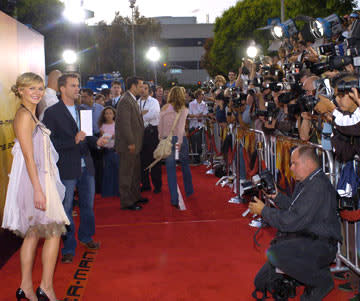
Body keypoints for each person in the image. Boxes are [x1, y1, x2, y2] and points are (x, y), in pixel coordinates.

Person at [1, 72, 70, 301]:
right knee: (53, 232)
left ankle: (26, 288)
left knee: (32, 235)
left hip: (39, 179)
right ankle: (46, 288)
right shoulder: (24, 116)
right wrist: (38, 190)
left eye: (40, 88)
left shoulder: (31, 113)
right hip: (35, 182)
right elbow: (29, 157)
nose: (37, 93)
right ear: (20, 90)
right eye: (32, 88)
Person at [249, 146, 341, 301]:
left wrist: (264, 211)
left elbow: (291, 221)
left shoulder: (318, 186)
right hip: (306, 237)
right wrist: (276, 196)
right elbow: (294, 207)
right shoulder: (307, 181)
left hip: (322, 244)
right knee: (261, 282)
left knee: (278, 253)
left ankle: (321, 281)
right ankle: (301, 274)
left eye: (294, 164)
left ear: (308, 164)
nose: (290, 168)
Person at [43, 73, 108, 264]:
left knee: (88, 206)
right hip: (66, 168)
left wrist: (98, 142)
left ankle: (86, 237)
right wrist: (73, 140)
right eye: (73, 85)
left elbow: (87, 136)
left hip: (86, 166)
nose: (77, 88)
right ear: (62, 89)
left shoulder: (84, 109)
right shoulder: (52, 113)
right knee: (67, 208)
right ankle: (68, 247)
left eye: (78, 85)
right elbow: (49, 143)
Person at [115, 76, 148, 210]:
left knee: (135, 173)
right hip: (129, 145)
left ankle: (135, 197)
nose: (142, 89)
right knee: (127, 174)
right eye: (140, 86)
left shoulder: (132, 100)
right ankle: (127, 201)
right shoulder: (125, 101)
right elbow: (125, 124)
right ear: (133, 86)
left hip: (135, 144)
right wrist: (130, 142)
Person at [158, 86, 194, 209]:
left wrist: (161, 138)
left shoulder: (164, 108)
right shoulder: (184, 109)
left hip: (167, 139)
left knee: (170, 170)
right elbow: (180, 128)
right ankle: (189, 191)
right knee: (185, 165)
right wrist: (179, 141)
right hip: (180, 140)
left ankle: (174, 199)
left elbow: (160, 126)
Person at [138, 81, 162, 193]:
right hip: (141, 134)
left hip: (152, 133)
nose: (143, 90)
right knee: (143, 161)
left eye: (145, 88)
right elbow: (136, 117)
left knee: (155, 160)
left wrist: (141, 115)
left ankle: (157, 185)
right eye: (141, 88)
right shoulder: (137, 102)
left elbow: (154, 114)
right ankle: (146, 184)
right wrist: (142, 114)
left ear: (149, 90)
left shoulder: (154, 101)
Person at [98, 106, 119, 197]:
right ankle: (108, 192)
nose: (108, 115)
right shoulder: (102, 126)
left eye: (110, 113)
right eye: (106, 113)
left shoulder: (117, 125)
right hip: (107, 151)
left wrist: (112, 137)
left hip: (116, 151)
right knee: (108, 172)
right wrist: (111, 137)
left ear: (114, 114)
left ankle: (117, 191)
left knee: (118, 172)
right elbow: (103, 139)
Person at [188, 89, 208, 164]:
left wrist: (202, 115)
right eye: (202, 94)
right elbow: (189, 114)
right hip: (193, 125)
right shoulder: (191, 104)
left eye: (203, 94)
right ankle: (196, 158)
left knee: (200, 142)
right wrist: (196, 116)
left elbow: (206, 113)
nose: (203, 96)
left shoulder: (204, 104)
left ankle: (200, 156)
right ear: (198, 95)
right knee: (193, 143)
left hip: (201, 125)